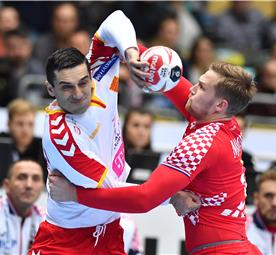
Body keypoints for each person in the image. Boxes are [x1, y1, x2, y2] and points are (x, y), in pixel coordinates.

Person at [48, 61, 263, 254]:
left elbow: (144, 199)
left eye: (202, 87)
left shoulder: (202, 144)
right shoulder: (226, 122)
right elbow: (172, 81)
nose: (193, 88)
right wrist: (133, 53)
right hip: (234, 247)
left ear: (220, 106)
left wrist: (75, 194)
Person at [30, 10, 190, 255]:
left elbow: (116, 19)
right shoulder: (61, 136)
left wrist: (131, 54)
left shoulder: (98, 69)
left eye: (83, 82)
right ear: (50, 89)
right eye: (66, 87)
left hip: (110, 231)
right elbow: (113, 191)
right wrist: (170, 197)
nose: (79, 93)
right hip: (65, 241)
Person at [0, 98, 46, 183]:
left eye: (30, 124)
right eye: (20, 124)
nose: (25, 130)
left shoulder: (43, 147)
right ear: (9, 124)